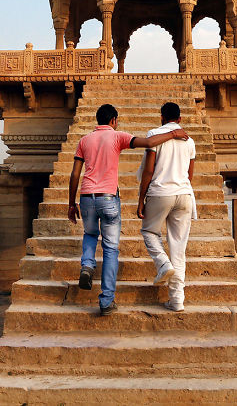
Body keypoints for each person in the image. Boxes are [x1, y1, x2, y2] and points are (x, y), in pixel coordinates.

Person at [68, 103, 188, 316]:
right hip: (108, 198)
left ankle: (87, 266)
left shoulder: (84, 141)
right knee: (111, 249)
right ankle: (106, 301)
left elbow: (75, 174)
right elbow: (150, 142)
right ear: (113, 120)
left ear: (98, 120)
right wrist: (173, 134)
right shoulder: (117, 136)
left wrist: (71, 203)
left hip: (86, 197)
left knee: (89, 234)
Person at [135, 102, 196, 312]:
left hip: (160, 192)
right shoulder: (189, 141)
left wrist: (141, 198)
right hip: (184, 194)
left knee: (149, 232)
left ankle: (163, 264)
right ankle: (177, 300)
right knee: (178, 248)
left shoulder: (154, 134)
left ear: (161, 116)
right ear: (179, 119)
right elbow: (190, 174)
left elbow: (148, 171)